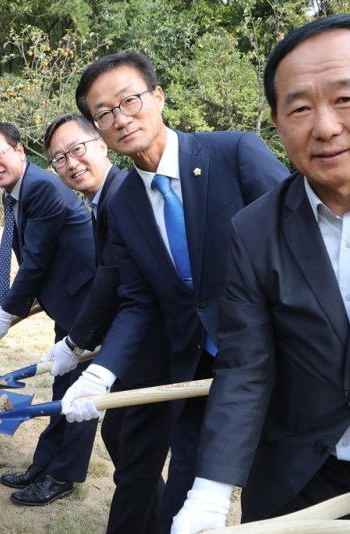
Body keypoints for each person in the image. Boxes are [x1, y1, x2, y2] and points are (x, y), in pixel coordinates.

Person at [171, 14, 350, 534]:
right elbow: (245, 367)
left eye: (344, 98)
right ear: (278, 124)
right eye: (300, 108)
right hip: (294, 481)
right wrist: (210, 491)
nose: (324, 127)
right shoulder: (254, 230)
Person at [64, 52, 289, 532]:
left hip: (279, 363)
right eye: (104, 113)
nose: (121, 119)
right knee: (180, 512)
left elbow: (300, 242)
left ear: (158, 96)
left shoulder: (235, 153)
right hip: (196, 371)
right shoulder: (123, 202)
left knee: (272, 507)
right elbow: (139, 300)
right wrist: (101, 371)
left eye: (129, 101)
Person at [42, 113, 172, 533]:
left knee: (132, 450)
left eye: (76, 149)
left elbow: (112, 280)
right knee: (121, 437)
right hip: (138, 342)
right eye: (59, 158)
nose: (71, 162)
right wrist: (75, 344)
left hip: (161, 344)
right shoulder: (105, 199)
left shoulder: (121, 196)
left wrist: (75, 343)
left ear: (102, 144)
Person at [0, 120, 99, 506]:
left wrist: (7, 311)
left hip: (88, 305)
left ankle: (63, 476)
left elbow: (36, 262)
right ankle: (45, 463)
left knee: (79, 393)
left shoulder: (41, 186)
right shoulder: (16, 193)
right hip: (68, 301)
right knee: (62, 387)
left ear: (19, 150)